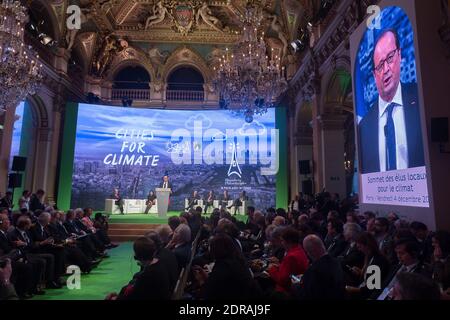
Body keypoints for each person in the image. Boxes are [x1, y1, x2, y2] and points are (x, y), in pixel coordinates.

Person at [358, 29, 424, 173]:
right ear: (375, 75)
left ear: (399, 55)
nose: (386, 69)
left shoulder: (421, 97)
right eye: (380, 65)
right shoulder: (365, 125)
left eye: (390, 58)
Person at [192, 233, 262, 300]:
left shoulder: (223, 268)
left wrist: (200, 280)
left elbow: (208, 294)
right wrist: (204, 274)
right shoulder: (237, 260)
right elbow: (216, 283)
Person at [106, 237, 171, 300]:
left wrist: (115, 298)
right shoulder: (160, 263)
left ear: (137, 256)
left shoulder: (146, 275)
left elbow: (132, 296)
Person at [293, 235, 346, 300]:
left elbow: (306, 295)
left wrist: (297, 285)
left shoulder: (313, 271)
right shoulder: (336, 262)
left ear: (309, 253)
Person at [267, 227, 309, 295]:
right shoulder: (299, 250)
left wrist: (271, 269)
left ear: (288, 242)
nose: (282, 243)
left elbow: (282, 280)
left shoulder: (291, 256)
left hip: (285, 292)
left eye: (283, 241)